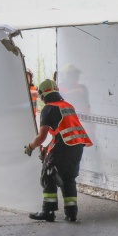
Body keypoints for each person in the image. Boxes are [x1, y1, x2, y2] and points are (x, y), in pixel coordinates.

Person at [24, 79, 92, 222]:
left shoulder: (48, 109)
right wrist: (48, 149)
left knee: (48, 175)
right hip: (77, 146)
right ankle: (71, 213)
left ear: (43, 95)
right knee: (68, 178)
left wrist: (30, 146)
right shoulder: (67, 106)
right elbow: (61, 134)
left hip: (64, 147)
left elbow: (41, 137)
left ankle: (48, 212)